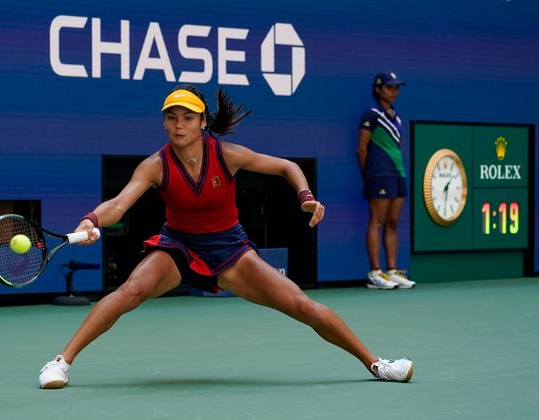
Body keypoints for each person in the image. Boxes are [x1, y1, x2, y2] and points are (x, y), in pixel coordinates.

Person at [39, 85, 414, 389]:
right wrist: (91, 220)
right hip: (178, 247)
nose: (178, 124)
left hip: (229, 249)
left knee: (302, 306)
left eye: (187, 117)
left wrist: (306, 197)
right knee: (129, 292)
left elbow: (287, 166)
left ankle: (377, 364)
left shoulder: (228, 154)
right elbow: (119, 205)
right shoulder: (154, 165)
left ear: (203, 122)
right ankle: (60, 363)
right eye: (171, 118)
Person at [356, 72, 415, 289]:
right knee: (377, 222)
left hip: (398, 173)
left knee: (392, 223)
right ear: (378, 89)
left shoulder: (397, 116)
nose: (394, 91)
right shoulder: (371, 114)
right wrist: (368, 173)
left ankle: (391, 270)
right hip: (379, 173)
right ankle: (375, 272)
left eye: (396, 88)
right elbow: (361, 148)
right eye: (390, 87)